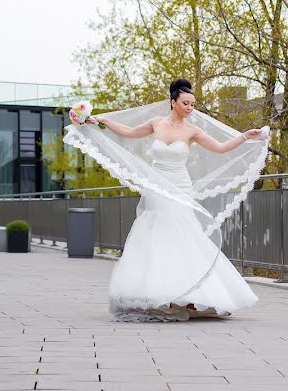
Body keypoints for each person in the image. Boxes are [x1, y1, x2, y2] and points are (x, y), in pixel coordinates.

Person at [65, 79, 269, 322]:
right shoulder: (157, 124)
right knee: (156, 232)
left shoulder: (192, 131)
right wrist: (103, 120)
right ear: (173, 102)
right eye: (185, 103)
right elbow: (129, 133)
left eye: (193, 104)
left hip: (181, 187)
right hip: (156, 186)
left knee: (182, 233)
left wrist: (245, 136)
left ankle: (190, 293)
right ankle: (159, 292)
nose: (190, 108)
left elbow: (221, 148)